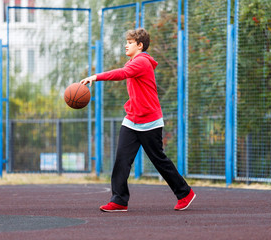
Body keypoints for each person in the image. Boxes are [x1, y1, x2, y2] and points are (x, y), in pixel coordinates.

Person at [80, 28, 195, 212]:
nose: (126, 44)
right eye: (126, 41)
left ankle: (185, 192)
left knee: (159, 160)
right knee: (121, 160)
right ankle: (119, 200)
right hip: (132, 119)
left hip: (150, 121)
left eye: (130, 42)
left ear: (140, 45)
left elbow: (121, 73)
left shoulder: (141, 62)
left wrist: (95, 76)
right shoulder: (133, 61)